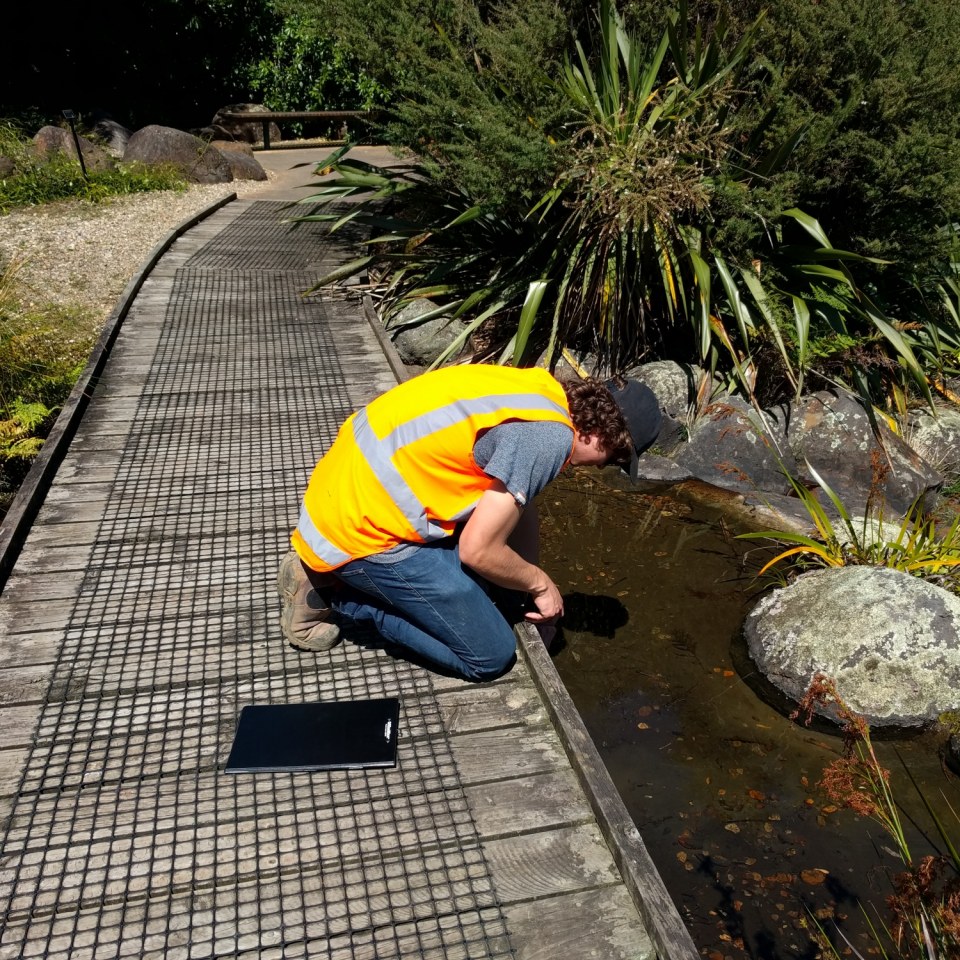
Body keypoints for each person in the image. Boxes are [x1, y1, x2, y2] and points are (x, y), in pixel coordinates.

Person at [278, 364, 661, 681]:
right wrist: (541, 585)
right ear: (605, 437)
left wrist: (521, 591)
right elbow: (477, 550)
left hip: (343, 491)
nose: (601, 469)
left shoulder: (543, 394)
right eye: (613, 460)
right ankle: (336, 593)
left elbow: (521, 506)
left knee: (493, 587)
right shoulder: (547, 441)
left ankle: (330, 569)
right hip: (362, 531)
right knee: (490, 654)